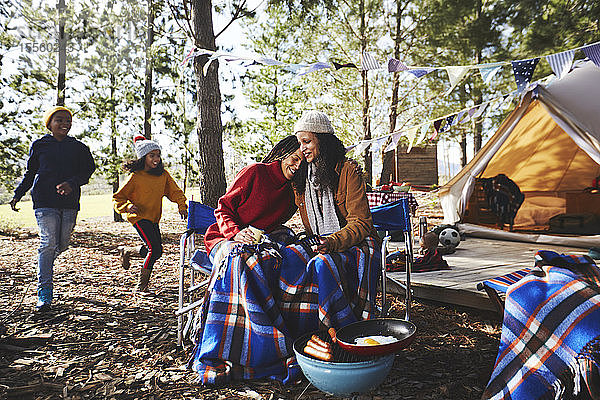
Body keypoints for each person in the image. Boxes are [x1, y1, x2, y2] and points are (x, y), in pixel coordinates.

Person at [9, 106, 96, 312]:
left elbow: (88, 170)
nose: (64, 123)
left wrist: (72, 183)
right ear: (49, 123)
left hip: (69, 202)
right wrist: (17, 194)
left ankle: (43, 263)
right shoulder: (40, 145)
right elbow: (31, 173)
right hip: (44, 200)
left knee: (61, 245)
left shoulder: (79, 147)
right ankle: (44, 293)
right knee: (48, 243)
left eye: (68, 120)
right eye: (59, 120)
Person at [203, 135, 303, 264]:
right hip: (224, 238)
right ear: (284, 153)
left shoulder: (294, 190)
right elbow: (223, 209)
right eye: (295, 159)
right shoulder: (255, 172)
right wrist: (236, 233)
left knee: (288, 256)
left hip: (259, 244)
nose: (299, 166)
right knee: (241, 259)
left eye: (303, 163)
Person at [113, 135, 188, 292]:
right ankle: (142, 286)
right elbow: (118, 197)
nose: (156, 159)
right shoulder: (135, 177)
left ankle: (127, 251)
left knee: (157, 251)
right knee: (154, 249)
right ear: (143, 157)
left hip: (153, 217)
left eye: (158, 155)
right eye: (152, 155)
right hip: (138, 217)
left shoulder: (163, 175)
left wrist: (182, 205)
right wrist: (127, 206)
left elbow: (175, 192)